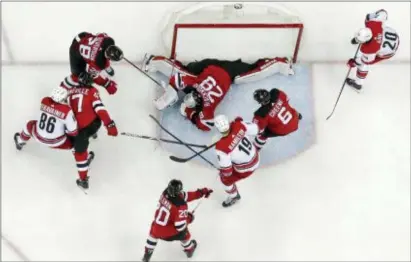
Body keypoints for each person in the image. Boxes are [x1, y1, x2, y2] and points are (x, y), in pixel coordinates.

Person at [145, 56, 294, 131]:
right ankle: (281, 64)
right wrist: (186, 110)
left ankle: (153, 61)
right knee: (249, 74)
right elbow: (177, 79)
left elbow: (206, 126)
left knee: (249, 75)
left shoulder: (205, 104)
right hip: (223, 70)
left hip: (213, 67)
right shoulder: (195, 85)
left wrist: (188, 111)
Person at [13, 87, 94, 187]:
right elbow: (73, 132)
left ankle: (20, 141)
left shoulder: (44, 101)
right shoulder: (67, 110)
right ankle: (83, 176)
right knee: (79, 146)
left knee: (29, 125)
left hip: (38, 136)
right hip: (57, 142)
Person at [142, 179, 213, 262]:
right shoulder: (180, 205)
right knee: (184, 233)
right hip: (169, 233)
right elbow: (180, 226)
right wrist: (189, 218)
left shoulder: (165, 192)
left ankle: (147, 255)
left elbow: (185, 196)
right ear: (179, 191)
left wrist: (201, 193)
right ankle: (189, 250)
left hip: (156, 229)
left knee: (154, 231)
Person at [67, 81, 118, 189]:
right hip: (88, 127)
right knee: (93, 120)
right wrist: (110, 125)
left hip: (71, 128)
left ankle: (83, 180)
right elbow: (100, 110)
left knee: (78, 150)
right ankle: (91, 136)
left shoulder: (69, 90)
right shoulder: (92, 91)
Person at [346, 9, 399, 91]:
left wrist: (355, 62)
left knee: (364, 64)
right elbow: (383, 12)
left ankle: (358, 84)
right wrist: (371, 16)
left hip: (390, 51)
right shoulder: (373, 24)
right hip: (394, 35)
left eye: (359, 41)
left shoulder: (369, 49)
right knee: (365, 60)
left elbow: (367, 61)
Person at [214, 115, 260, 207]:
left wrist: (223, 171)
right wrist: (238, 124)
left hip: (246, 169)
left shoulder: (221, 148)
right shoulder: (239, 125)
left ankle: (234, 196)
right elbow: (257, 129)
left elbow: (227, 172)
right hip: (256, 157)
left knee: (225, 180)